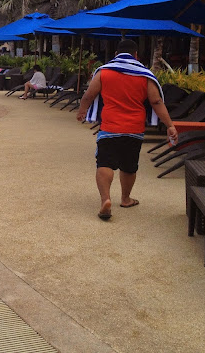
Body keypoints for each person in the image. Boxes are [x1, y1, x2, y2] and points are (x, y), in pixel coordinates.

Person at [76, 40, 178, 221]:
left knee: (105, 163)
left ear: (116, 53)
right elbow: (156, 102)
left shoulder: (104, 72)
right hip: (134, 128)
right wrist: (169, 125)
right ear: (136, 55)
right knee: (129, 166)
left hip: (110, 126)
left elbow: (89, 95)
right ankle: (125, 199)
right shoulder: (145, 75)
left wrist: (83, 110)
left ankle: (105, 199)